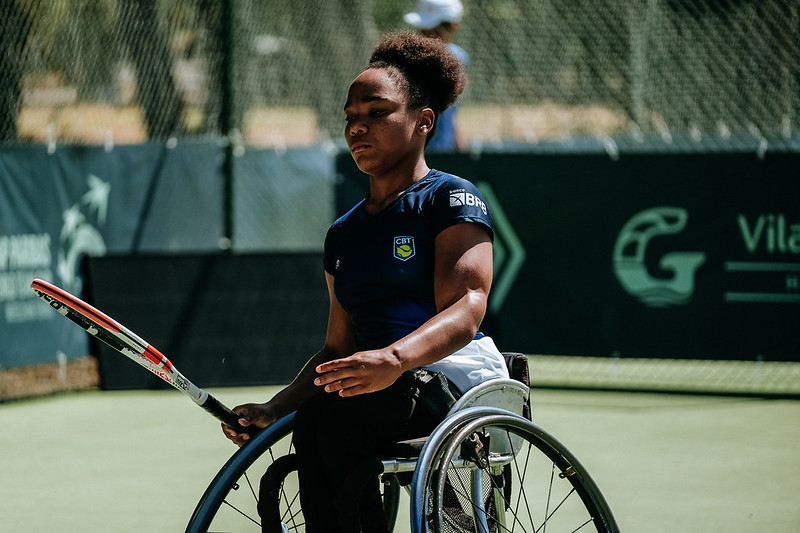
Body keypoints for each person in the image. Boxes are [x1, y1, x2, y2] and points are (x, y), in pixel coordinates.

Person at [221, 31, 509, 533]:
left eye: (377, 113)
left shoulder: (451, 199)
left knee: (329, 421)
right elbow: (337, 350)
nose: (358, 128)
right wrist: (275, 407)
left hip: (452, 383)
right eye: (351, 118)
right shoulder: (343, 233)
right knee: (322, 418)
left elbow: (467, 307)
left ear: (424, 122)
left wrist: (393, 359)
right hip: (373, 391)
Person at [404, 0, 470, 152]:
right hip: (414, 146)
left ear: (453, 27)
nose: (423, 31)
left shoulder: (459, 57)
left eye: (431, 28)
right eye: (423, 27)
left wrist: (457, 138)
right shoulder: (409, 55)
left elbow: (452, 108)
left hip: (443, 144)